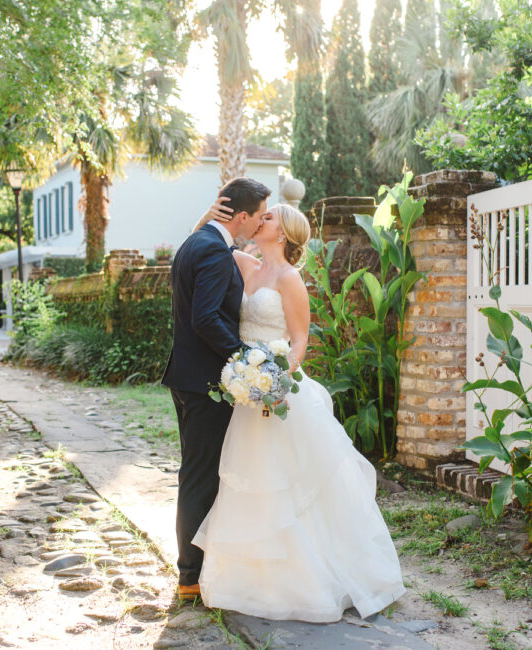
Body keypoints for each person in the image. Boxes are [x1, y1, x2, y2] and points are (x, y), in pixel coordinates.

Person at [190, 202, 406, 622]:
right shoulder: (244, 264)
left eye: (267, 218)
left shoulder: (290, 280)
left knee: (291, 486)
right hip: (248, 394)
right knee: (251, 483)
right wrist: (208, 214)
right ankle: (255, 581)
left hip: (279, 392)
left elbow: (300, 341)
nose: (257, 220)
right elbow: (202, 242)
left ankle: (309, 580)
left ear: (283, 232)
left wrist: (273, 382)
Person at [161, 177, 271, 601]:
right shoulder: (210, 249)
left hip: (188, 377)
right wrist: (247, 359)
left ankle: (198, 570)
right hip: (204, 382)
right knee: (200, 476)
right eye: (259, 215)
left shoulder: (197, 242)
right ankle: (191, 576)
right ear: (241, 216)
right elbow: (206, 318)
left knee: (198, 473)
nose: (261, 222)